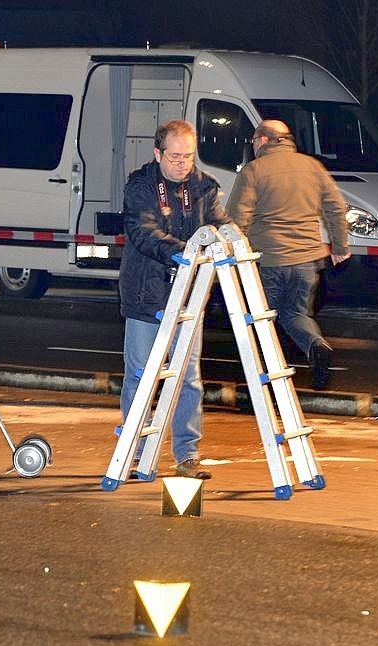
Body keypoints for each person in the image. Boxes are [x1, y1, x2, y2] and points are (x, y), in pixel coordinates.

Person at [119, 119, 230, 479]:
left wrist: (228, 239)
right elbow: (143, 230)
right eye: (175, 156)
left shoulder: (204, 187)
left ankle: (187, 454)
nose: (182, 163)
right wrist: (181, 252)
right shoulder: (141, 186)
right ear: (158, 153)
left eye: (188, 156)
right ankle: (133, 453)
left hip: (188, 296)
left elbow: (218, 223)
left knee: (188, 376)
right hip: (146, 292)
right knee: (140, 375)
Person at [225, 119, 351, 390]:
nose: (254, 146)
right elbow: (336, 208)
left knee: (259, 323)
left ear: (264, 140)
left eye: (255, 141)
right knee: (296, 314)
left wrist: (229, 256)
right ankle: (317, 346)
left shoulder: (254, 171)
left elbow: (238, 219)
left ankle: (260, 389)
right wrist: (340, 247)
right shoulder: (313, 167)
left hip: (267, 261)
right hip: (307, 261)